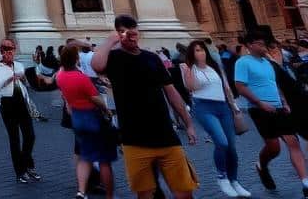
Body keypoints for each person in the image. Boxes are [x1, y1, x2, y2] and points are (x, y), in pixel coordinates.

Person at [91, 14, 198, 199]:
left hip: (166, 136)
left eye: (134, 33)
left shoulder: (152, 58)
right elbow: (97, 65)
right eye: (125, 33)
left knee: (184, 192)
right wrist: (110, 40)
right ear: (118, 34)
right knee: (145, 194)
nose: (132, 37)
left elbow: (171, 92)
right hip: (134, 139)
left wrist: (188, 123)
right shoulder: (114, 58)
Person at [234, 28, 308, 196]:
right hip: (259, 110)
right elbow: (240, 86)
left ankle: (305, 183)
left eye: (264, 44)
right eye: (259, 44)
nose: (263, 47)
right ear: (249, 45)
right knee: (274, 147)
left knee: (293, 142)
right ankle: (261, 164)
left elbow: (274, 84)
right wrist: (259, 103)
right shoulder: (243, 62)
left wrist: (284, 101)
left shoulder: (268, 63)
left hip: (279, 107)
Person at [181, 40, 248, 198]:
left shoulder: (215, 66)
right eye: (197, 50)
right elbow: (191, 88)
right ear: (192, 53)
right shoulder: (189, 69)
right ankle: (222, 177)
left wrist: (234, 107)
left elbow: (226, 87)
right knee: (221, 142)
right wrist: (188, 69)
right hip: (204, 108)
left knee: (231, 147)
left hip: (223, 107)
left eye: (202, 49)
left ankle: (235, 181)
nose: (201, 53)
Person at [56, 44, 115, 199]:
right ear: (76, 59)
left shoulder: (60, 77)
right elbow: (96, 98)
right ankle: (109, 194)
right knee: (103, 158)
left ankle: (81, 191)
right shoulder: (80, 78)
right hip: (91, 116)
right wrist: (106, 110)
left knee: (83, 154)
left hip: (76, 116)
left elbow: (66, 98)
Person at [0, 38, 41, 183]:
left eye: (11, 48)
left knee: (30, 136)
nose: (9, 51)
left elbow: (26, 83)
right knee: (14, 138)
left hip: (22, 102)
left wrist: (24, 79)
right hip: (7, 104)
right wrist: (8, 80)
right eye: (6, 49)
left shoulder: (19, 65)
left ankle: (26, 165)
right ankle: (20, 171)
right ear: (1, 52)